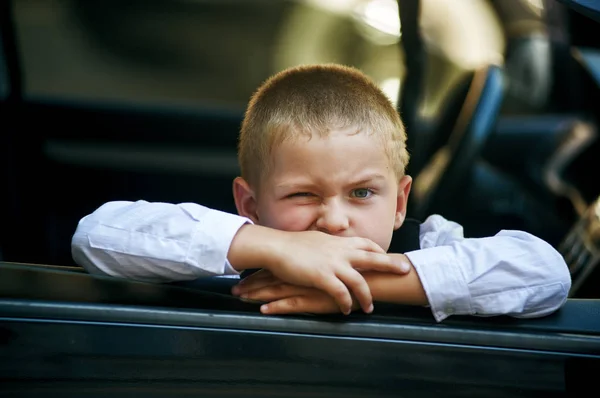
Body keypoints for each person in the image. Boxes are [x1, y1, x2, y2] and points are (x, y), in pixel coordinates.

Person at [71, 64, 571, 322]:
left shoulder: (428, 248)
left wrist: (362, 287)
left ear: (399, 203)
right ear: (250, 205)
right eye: (302, 196)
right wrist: (272, 247)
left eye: (360, 193)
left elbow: (545, 273)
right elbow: (96, 235)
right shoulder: (243, 252)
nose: (333, 221)